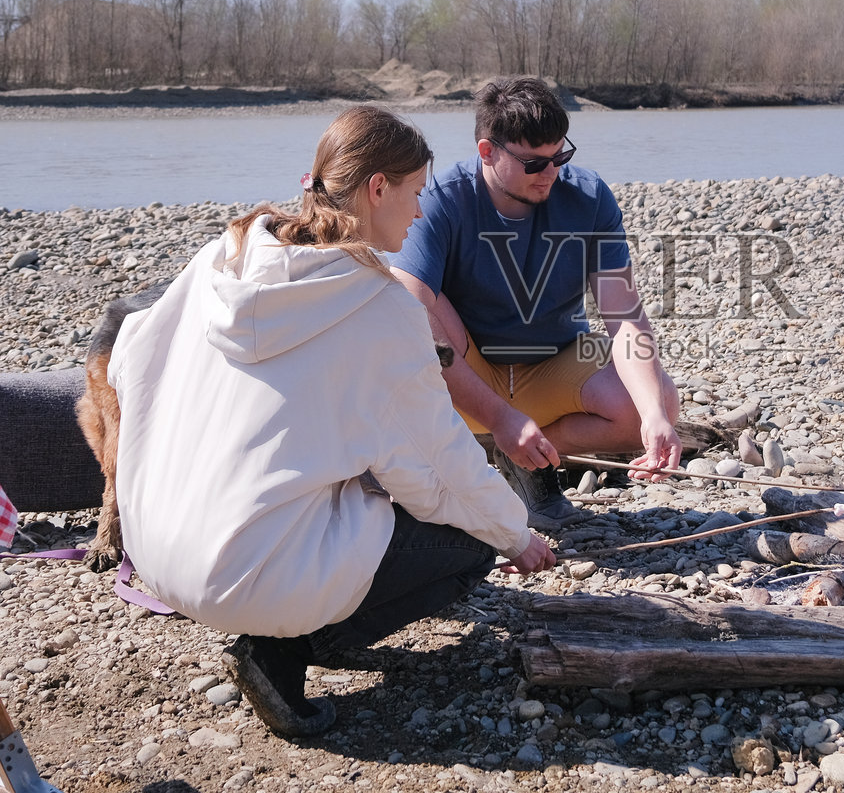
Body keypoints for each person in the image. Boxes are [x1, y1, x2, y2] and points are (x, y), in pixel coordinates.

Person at [106, 106, 554, 738]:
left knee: (374, 483)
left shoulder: (224, 254)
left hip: (155, 549)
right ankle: (280, 654)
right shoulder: (380, 307)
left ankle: (281, 610)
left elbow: (128, 356)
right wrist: (515, 535)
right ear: (377, 188)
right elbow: (438, 467)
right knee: (469, 535)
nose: (421, 213)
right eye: (416, 193)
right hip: (242, 577)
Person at [389, 77, 681, 532]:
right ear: (488, 152)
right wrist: (499, 416)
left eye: (560, 157)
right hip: (468, 369)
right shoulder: (443, 199)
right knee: (414, 300)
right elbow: (408, 312)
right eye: (534, 163)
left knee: (657, 397)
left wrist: (656, 417)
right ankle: (471, 453)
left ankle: (527, 461)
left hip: (554, 363)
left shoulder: (587, 197)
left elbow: (623, 314)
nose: (551, 173)